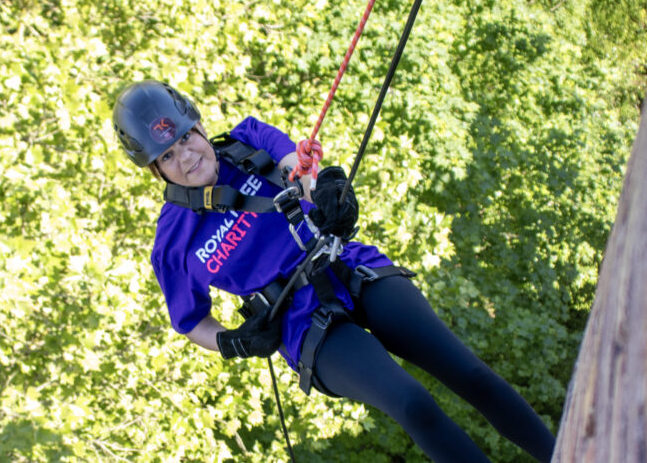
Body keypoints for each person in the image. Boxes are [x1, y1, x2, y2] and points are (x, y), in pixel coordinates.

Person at [113, 80, 555, 462]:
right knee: (413, 404)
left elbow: (298, 172)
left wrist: (326, 193)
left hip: (346, 264)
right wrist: (232, 342)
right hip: (305, 325)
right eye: (169, 157)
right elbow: (190, 320)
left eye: (187, 138)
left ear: (199, 125)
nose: (187, 157)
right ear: (156, 171)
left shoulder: (249, 141)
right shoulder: (172, 244)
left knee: (469, 373)